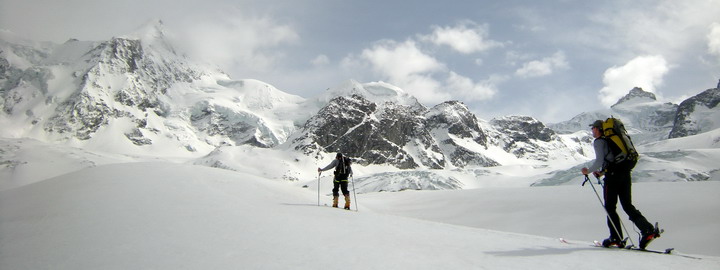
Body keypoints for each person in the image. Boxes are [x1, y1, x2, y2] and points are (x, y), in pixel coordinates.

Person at [581, 120, 660, 249]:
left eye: (593, 128)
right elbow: (613, 160)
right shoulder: (612, 140)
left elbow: (599, 160)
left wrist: (587, 170)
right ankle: (647, 230)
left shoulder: (600, 141)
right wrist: (602, 172)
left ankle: (615, 237)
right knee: (627, 205)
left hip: (612, 177)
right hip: (624, 173)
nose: (592, 131)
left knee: (610, 207)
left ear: (598, 129)